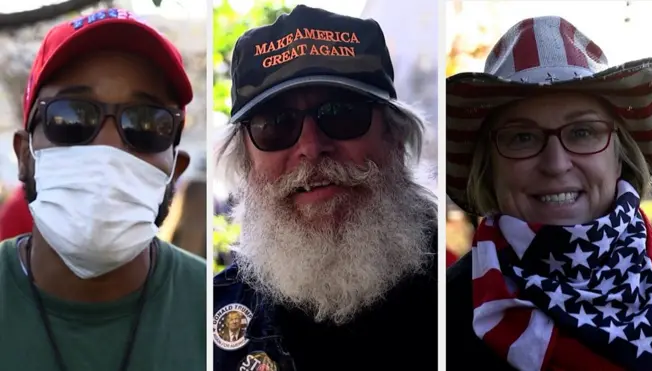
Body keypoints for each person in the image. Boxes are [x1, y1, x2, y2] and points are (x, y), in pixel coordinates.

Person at [213, 5, 438, 371]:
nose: (312, 148)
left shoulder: (462, 298)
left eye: (342, 113)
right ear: (245, 161)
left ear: (395, 137)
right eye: (276, 124)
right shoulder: (212, 322)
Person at [446, 16, 652, 370]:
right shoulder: (442, 313)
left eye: (582, 132)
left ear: (619, 157)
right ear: (489, 169)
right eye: (522, 137)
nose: (556, 164)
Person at [0, 8, 206, 371]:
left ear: (175, 171)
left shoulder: (215, 308)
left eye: (147, 123)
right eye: (71, 116)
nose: (109, 147)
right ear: (23, 156)